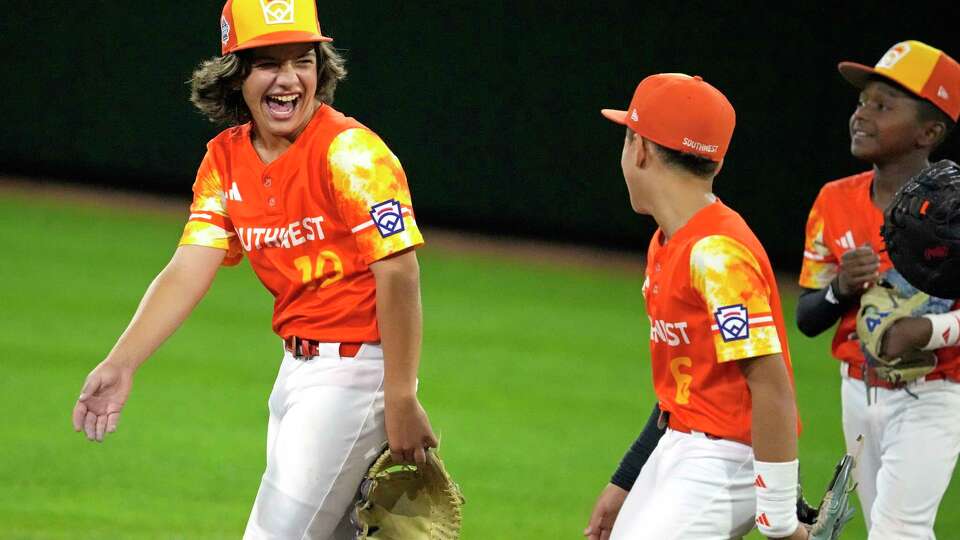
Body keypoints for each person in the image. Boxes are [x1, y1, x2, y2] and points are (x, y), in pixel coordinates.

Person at [70, 1, 438, 538]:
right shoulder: (225, 159)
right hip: (294, 376)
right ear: (235, 75)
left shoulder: (350, 152)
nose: (288, 79)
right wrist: (123, 361)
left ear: (322, 68)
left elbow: (400, 272)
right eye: (267, 62)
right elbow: (188, 266)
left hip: (355, 377)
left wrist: (400, 395)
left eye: (303, 61)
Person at [585, 73, 807, 540]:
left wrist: (779, 517)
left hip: (727, 461)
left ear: (639, 149)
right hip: (681, 446)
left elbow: (772, 388)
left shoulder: (717, 254)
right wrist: (627, 479)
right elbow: (681, 390)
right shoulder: (670, 240)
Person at [797, 40, 960, 539]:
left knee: (897, 531)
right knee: (884, 529)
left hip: (936, 393)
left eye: (883, 106)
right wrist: (840, 288)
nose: (862, 114)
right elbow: (807, 318)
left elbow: (923, 330)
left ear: (928, 132)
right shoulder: (834, 200)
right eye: (862, 101)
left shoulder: (957, 210)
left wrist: (926, 330)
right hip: (857, 390)